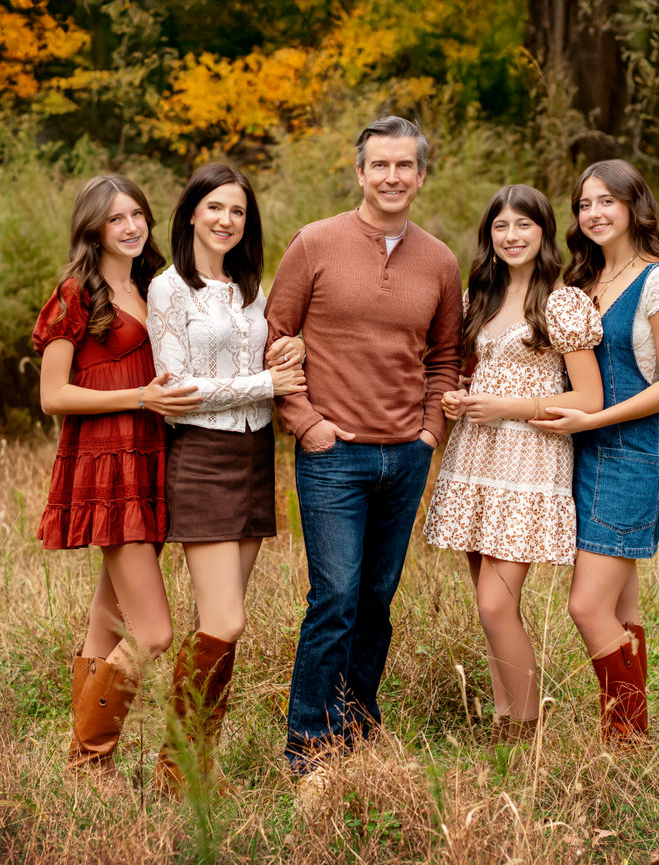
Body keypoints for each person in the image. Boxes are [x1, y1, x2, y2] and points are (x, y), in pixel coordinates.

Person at [265, 116, 463, 778]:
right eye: (379, 165)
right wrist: (305, 421)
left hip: (403, 456)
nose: (392, 177)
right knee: (335, 597)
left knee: (376, 599)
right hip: (332, 456)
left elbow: (444, 356)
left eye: (404, 165)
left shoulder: (438, 260)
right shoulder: (314, 243)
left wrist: (430, 431)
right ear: (358, 172)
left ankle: (355, 728)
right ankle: (307, 746)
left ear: (421, 175)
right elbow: (274, 335)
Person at [33, 174, 203, 780]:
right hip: (108, 463)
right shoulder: (76, 293)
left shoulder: (159, 285)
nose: (131, 227)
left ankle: (83, 773)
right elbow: (53, 395)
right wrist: (138, 398)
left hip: (153, 459)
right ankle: (88, 755)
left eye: (138, 214)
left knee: (105, 620)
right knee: (154, 633)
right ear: (93, 229)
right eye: (116, 219)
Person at [145, 163, 306, 795]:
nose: (225, 220)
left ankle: (190, 767)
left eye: (237, 211)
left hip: (252, 457)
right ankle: (178, 767)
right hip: (202, 459)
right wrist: (268, 383)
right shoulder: (169, 290)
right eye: (214, 207)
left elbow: (267, 359)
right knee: (227, 620)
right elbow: (178, 389)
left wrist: (289, 354)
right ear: (190, 213)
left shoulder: (248, 288)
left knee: (221, 623)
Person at [423, 184, 603, 745]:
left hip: (528, 461)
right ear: (489, 236)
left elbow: (590, 399)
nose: (511, 236)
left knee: (495, 601)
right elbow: (487, 375)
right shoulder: (481, 297)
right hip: (476, 456)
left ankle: (526, 731)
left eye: (523, 225)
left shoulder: (561, 302)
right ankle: (504, 713)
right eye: (501, 226)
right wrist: (463, 393)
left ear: (544, 233)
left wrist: (507, 407)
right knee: (490, 604)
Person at [531, 159, 659, 744]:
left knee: (586, 607)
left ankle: (624, 740)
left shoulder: (658, 282)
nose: (594, 214)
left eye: (606, 202)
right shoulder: (584, 283)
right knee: (623, 610)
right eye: (584, 204)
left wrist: (594, 418)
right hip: (585, 452)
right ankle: (633, 744)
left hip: (632, 455)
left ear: (633, 206)